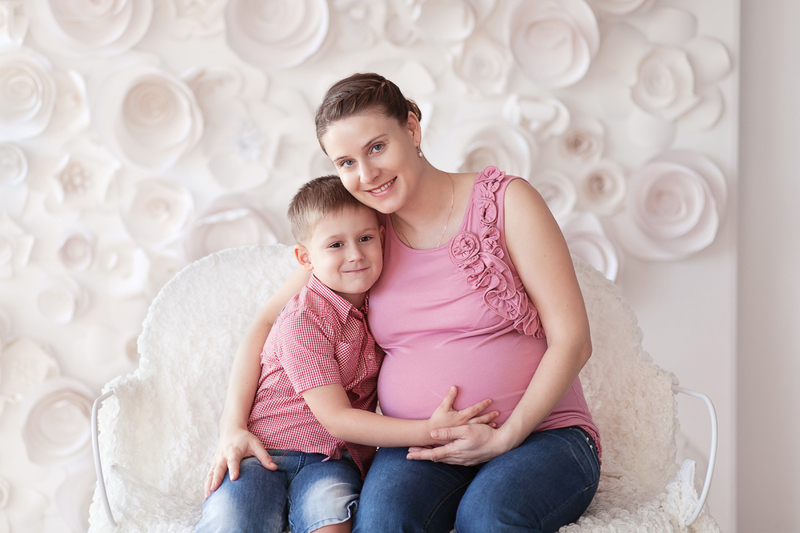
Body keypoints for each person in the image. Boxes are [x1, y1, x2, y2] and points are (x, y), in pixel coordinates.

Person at [206, 73, 602, 533]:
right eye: (346, 162)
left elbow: (573, 340)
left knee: (488, 517)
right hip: (421, 444)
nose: (366, 175)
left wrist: (505, 438)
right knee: (383, 522)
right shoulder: (362, 237)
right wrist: (232, 427)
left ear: (411, 129)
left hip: (542, 433)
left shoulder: (507, 201)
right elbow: (267, 323)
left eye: (377, 147)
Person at [197, 175, 497, 533]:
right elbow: (336, 418)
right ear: (306, 258)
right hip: (266, 450)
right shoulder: (305, 317)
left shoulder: (381, 299)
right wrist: (429, 431)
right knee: (233, 520)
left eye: (365, 239)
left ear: (381, 237)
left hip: (333, 460)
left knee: (333, 520)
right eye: (337, 245)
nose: (355, 254)